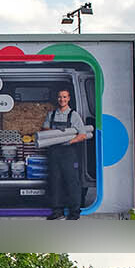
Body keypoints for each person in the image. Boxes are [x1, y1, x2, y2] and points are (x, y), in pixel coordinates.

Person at [35, 88, 94, 220]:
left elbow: (83, 135)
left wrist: (69, 141)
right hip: (54, 152)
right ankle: (57, 211)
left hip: (69, 152)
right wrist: (56, 133)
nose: (62, 99)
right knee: (55, 181)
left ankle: (74, 212)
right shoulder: (51, 114)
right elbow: (44, 129)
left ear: (69, 99)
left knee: (72, 182)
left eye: (64, 97)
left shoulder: (74, 115)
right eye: (60, 97)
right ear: (57, 99)